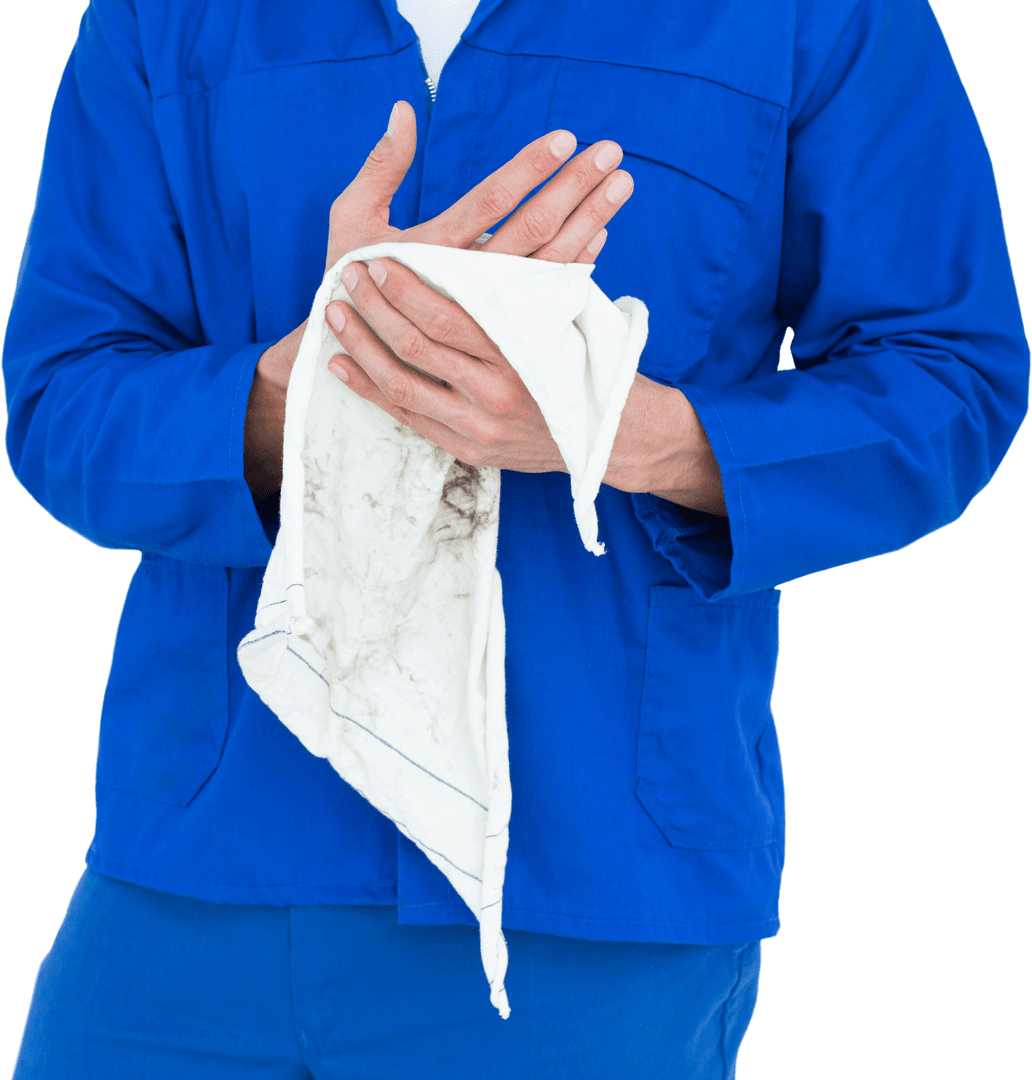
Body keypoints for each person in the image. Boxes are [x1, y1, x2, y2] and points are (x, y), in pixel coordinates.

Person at [3, 0, 1028, 1077]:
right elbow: (62, 397)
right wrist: (315, 380)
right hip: (198, 869)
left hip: (587, 892)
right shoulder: (159, 15)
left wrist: (623, 431)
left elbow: (949, 378)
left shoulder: (817, 16)